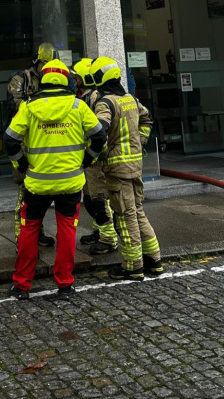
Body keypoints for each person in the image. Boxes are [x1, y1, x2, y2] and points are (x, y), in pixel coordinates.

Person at [4, 58, 107, 299]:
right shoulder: (78, 106)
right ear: (66, 79)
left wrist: (21, 163)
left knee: (29, 231)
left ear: (43, 80)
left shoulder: (28, 106)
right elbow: (99, 137)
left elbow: (10, 139)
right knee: (67, 231)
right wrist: (88, 160)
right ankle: (65, 285)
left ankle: (21, 285)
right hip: (70, 183)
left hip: (37, 182)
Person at [88, 57, 163, 281]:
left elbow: (99, 130)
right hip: (135, 166)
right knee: (138, 211)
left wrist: (92, 155)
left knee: (125, 215)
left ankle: (132, 266)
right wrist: (139, 142)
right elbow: (147, 119)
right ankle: (154, 260)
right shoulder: (130, 98)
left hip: (117, 169)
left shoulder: (105, 102)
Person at [6, 42, 56, 247]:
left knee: (42, 195)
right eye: (44, 63)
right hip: (26, 143)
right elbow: (14, 103)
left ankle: (39, 232)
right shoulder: (21, 79)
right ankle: (22, 237)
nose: (46, 68)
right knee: (25, 194)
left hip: (46, 142)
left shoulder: (56, 79)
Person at [72, 59, 118, 256]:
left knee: (97, 198)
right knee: (90, 196)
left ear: (84, 78)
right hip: (89, 156)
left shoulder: (93, 98)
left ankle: (108, 238)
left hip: (95, 157)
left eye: (77, 77)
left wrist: (92, 153)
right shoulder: (87, 96)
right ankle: (99, 231)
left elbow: (97, 130)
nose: (74, 80)